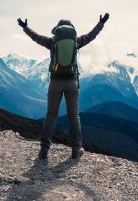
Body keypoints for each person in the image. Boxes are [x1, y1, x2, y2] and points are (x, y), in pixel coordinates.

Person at [17, 13, 109, 159]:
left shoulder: (51, 42)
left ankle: (44, 151)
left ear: (57, 30)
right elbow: (91, 36)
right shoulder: (77, 41)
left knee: (51, 115)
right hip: (72, 83)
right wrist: (101, 23)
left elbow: (36, 37)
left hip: (55, 83)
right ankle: (76, 149)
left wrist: (25, 27)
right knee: (74, 116)